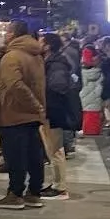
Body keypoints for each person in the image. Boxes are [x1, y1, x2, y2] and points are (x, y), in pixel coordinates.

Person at [0, 22, 47, 210]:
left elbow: (14, 85)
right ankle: (34, 192)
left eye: (7, 32)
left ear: (12, 34)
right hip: (31, 115)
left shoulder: (12, 56)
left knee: (15, 156)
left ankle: (15, 194)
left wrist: (32, 103)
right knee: (33, 155)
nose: (5, 36)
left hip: (13, 113)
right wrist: (37, 107)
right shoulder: (35, 55)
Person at [39, 32, 75, 200]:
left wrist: (44, 98)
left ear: (47, 45)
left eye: (41, 41)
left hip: (53, 112)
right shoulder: (53, 62)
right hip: (51, 111)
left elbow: (58, 86)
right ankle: (57, 184)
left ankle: (60, 188)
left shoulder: (56, 64)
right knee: (52, 149)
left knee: (55, 150)